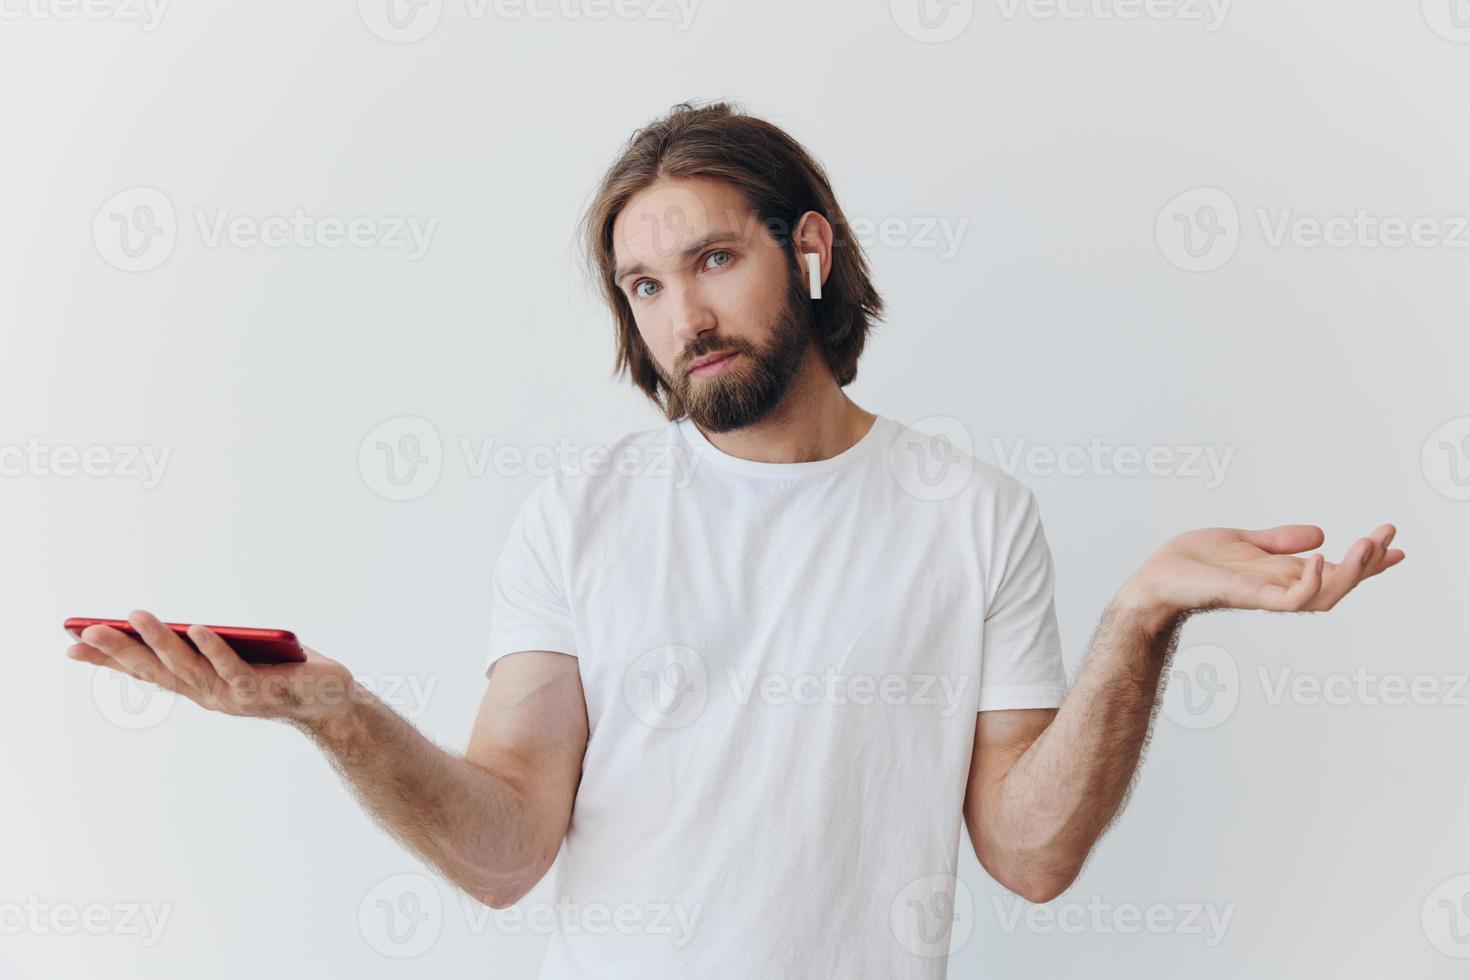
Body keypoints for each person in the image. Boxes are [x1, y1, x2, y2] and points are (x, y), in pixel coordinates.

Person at [67, 101, 1404, 979]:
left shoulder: (969, 514)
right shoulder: (579, 514)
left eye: (713, 260)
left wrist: (1140, 622)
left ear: (806, 248)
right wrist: (337, 714)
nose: (679, 315)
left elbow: (1030, 854)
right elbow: (505, 850)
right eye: (644, 285)